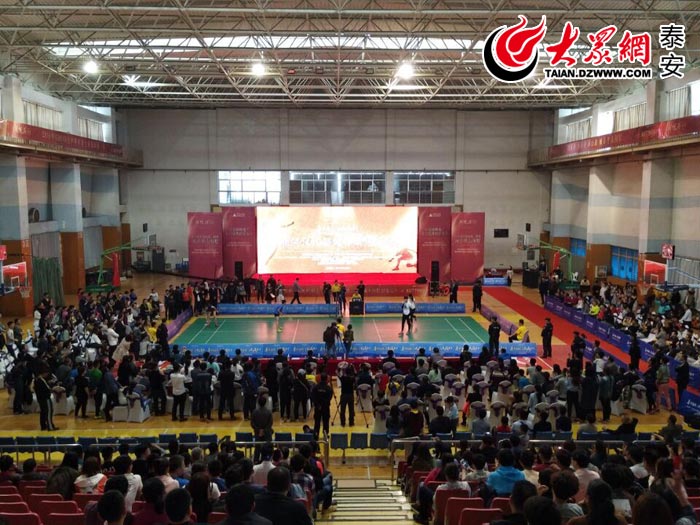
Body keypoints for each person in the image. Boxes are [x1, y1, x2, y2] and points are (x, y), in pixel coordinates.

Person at [35, 367, 57, 431]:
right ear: (44, 373)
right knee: (48, 412)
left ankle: (43, 426)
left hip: (41, 398)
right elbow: (45, 389)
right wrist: (51, 388)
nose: (47, 375)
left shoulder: (37, 380)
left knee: (43, 412)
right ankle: (50, 426)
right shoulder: (40, 381)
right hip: (45, 398)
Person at [311, 373, 333, 439]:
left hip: (318, 407)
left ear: (320, 378)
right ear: (326, 379)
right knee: (325, 422)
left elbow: (313, 397)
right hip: (325, 407)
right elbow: (329, 398)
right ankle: (325, 435)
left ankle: (316, 435)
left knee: (317, 422)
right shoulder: (328, 388)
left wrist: (318, 404)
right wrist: (324, 404)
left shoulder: (316, 387)